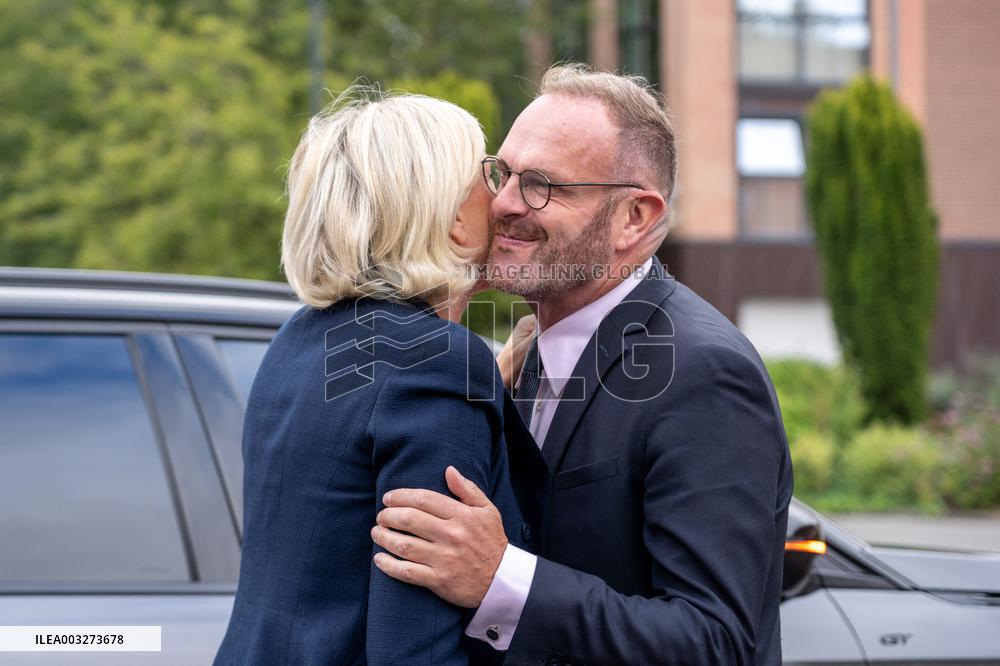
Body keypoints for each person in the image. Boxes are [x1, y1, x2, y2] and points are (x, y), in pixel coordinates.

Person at [371, 64, 795, 665]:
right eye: (503, 173)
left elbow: (715, 643)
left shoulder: (704, 373)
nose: (505, 205)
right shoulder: (526, 352)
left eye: (542, 185)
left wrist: (502, 579)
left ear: (635, 219)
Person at [213, 89, 548, 665]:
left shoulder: (300, 339)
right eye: (488, 175)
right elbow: (416, 644)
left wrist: (480, 393)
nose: (507, 198)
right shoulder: (438, 363)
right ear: (450, 224)